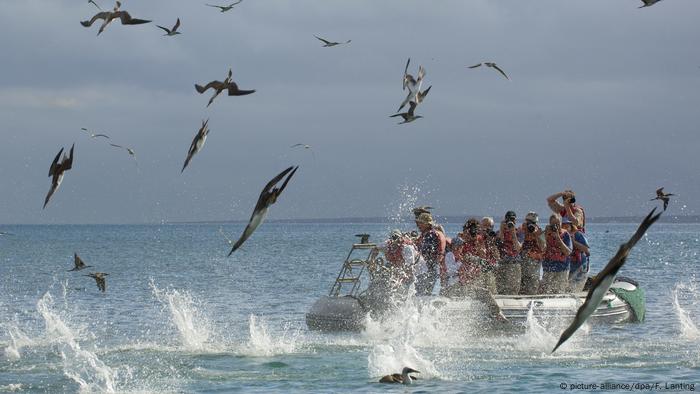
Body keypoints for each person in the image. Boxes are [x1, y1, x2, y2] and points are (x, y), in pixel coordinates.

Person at [414, 212, 447, 295]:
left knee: (424, 291)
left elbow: (439, 248)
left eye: (420, 223)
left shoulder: (433, 234)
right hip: (428, 267)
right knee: (423, 291)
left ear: (426, 224)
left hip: (431, 266)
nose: (418, 225)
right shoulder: (426, 234)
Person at [539, 214, 573, 294]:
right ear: (550, 224)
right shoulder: (546, 233)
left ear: (561, 224)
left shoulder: (565, 235)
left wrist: (558, 238)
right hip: (548, 267)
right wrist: (546, 234)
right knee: (546, 291)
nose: (555, 226)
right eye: (553, 224)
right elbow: (542, 248)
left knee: (559, 292)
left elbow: (568, 252)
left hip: (562, 268)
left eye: (557, 224)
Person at [518, 212, 545, 295]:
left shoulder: (539, 231)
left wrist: (537, 236)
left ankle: (532, 295)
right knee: (522, 279)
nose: (531, 225)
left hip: (535, 260)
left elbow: (543, 247)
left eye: (533, 223)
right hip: (523, 258)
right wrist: (524, 232)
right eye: (529, 222)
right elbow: (519, 244)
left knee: (533, 280)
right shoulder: (521, 229)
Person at [496, 211, 522, 295]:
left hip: (514, 263)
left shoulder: (519, 232)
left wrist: (513, 232)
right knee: (501, 289)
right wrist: (501, 229)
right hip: (502, 263)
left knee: (513, 290)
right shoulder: (500, 232)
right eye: (509, 219)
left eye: (513, 219)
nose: (511, 222)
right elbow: (498, 243)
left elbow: (518, 248)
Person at [563, 220, 590, 292]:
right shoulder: (561, 235)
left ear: (571, 227)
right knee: (566, 286)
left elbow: (587, 250)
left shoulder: (578, 235)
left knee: (575, 287)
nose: (565, 228)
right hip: (567, 266)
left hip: (580, 266)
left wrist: (573, 242)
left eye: (567, 226)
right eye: (562, 226)